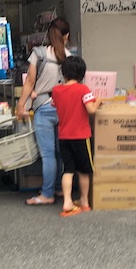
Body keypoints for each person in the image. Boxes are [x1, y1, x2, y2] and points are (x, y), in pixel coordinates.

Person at [15, 17, 71, 206]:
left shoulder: (38, 54)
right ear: (66, 36)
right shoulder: (70, 57)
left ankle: (47, 194)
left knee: (48, 154)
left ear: (49, 34)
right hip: (63, 108)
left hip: (44, 107)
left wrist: (21, 105)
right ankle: (57, 187)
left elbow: (30, 81)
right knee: (59, 153)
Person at [50, 55, 99, 217]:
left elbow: (54, 104)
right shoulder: (83, 89)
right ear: (81, 74)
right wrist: (98, 100)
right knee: (83, 171)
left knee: (68, 170)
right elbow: (91, 110)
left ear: (63, 73)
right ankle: (84, 201)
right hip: (81, 136)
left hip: (64, 136)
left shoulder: (56, 91)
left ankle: (67, 201)